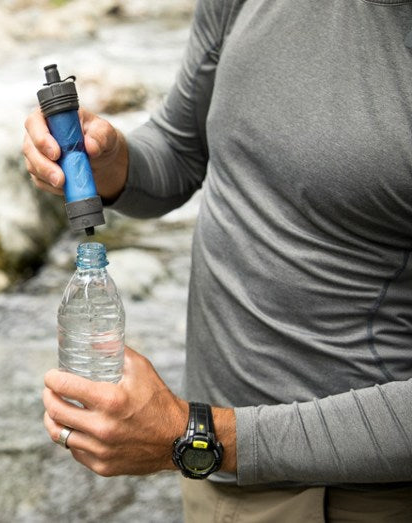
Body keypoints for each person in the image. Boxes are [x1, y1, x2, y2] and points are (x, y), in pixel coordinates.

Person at [22, 0, 412, 521]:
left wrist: (200, 434)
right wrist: (114, 163)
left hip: (354, 496)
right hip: (210, 472)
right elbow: (183, 148)